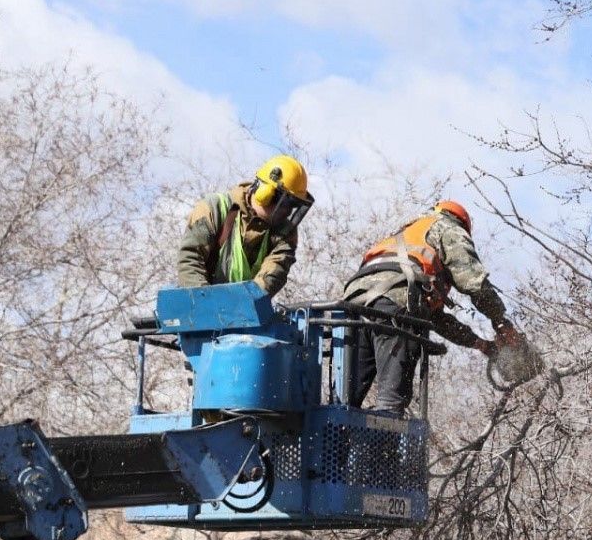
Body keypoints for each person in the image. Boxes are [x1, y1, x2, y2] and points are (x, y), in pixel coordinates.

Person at [343, 200, 521, 414]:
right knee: (390, 405)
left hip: (351, 306)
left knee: (344, 402)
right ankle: (383, 446)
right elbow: (473, 282)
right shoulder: (448, 228)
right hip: (394, 306)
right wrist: (500, 321)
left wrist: (481, 344)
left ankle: (333, 446)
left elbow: (435, 318)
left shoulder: (405, 235)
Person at [177, 154, 313, 296]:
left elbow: (273, 272)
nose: (289, 212)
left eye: (295, 206)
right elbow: (190, 258)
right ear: (267, 194)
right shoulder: (215, 208)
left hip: (245, 312)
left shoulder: (284, 231)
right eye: (288, 204)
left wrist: (244, 306)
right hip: (200, 304)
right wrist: (205, 303)